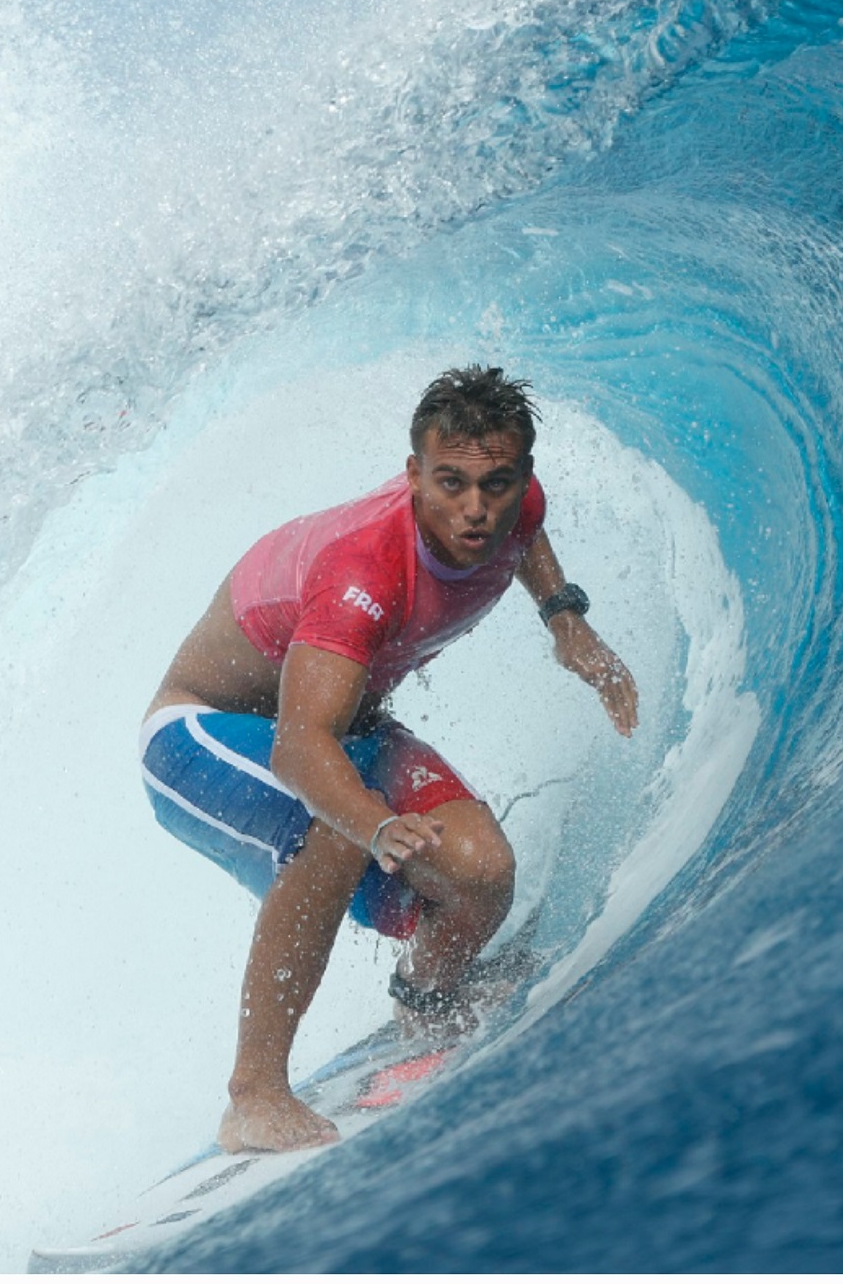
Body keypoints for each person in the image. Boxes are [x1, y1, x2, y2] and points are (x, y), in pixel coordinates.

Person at [141, 365, 639, 1153]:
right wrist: (376, 826)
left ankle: (427, 997)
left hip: (349, 727)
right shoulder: (362, 571)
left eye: (496, 484)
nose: (476, 510)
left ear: (522, 476)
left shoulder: (512, 504)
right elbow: (300, 748)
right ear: (414, 477)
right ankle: (255, 1096)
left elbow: (526, 532)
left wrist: (563, 620)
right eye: (451, 484)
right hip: (201, 738)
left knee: (480, 873)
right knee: (336, 827)